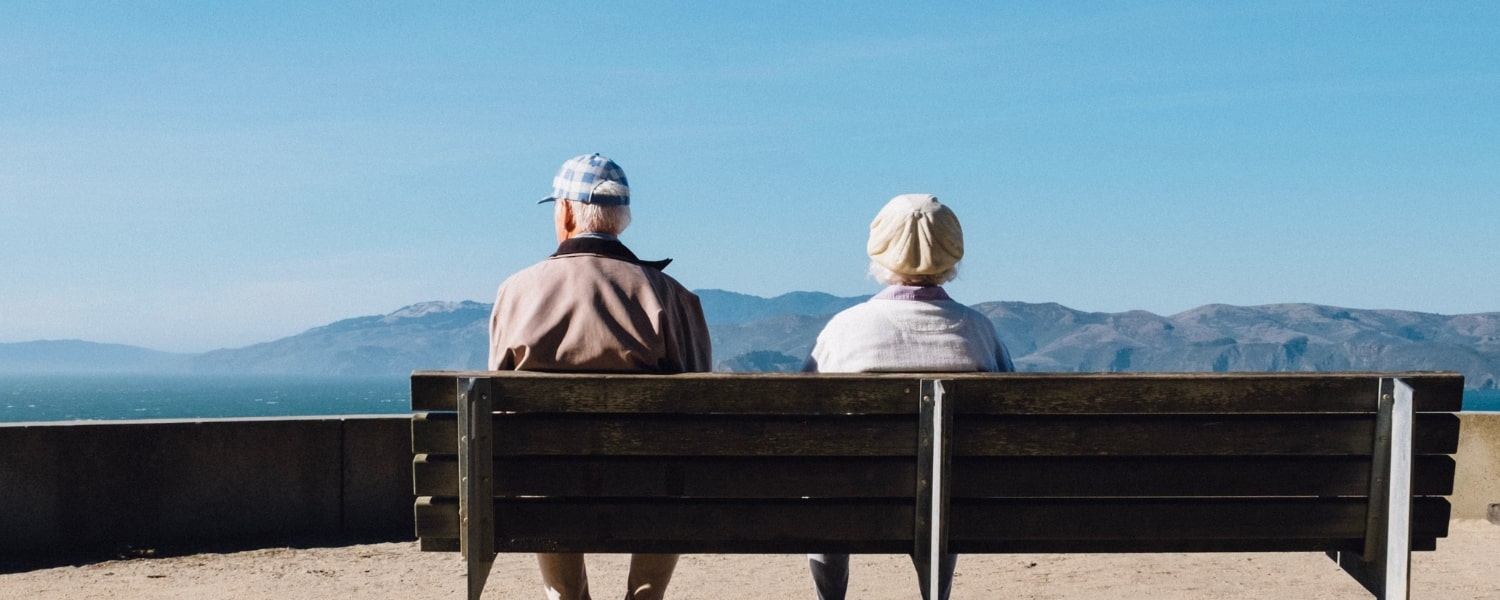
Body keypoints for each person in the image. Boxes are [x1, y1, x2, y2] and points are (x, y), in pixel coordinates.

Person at [489, 153, 712, 600]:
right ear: (620, 219)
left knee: (539, 470)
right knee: (674, 469)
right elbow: (700, 403)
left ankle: (568, 596)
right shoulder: (670, 296)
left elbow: (499, 405)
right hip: (649, 489)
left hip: (547, 487)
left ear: (567, 212)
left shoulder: (516, 291)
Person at [804, 193, 1014, 600]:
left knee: (825, 482)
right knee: (942, 484)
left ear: (879, 251)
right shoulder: (979, 331)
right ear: (954, 253)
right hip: (954, 504)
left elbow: (805, 419)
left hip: (853, 499)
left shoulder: (846, 328)